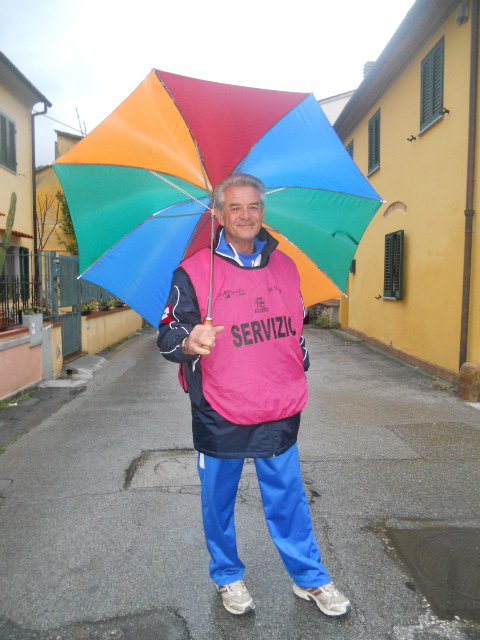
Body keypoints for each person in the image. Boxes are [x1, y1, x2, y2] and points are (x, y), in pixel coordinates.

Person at [157, 173, 351, 618]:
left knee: (288, 497)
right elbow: (167, 336)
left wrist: (298, 359)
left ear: (263, 211)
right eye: (235, 207)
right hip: (219, 407)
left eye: (253, 207)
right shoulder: (193, 271)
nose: (245, 216)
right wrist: (189, 341)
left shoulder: (286, 266)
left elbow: (294, 326)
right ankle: (227, 575)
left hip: (278, 402)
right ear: (218, 214)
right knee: (218, 501)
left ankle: (309, 578)